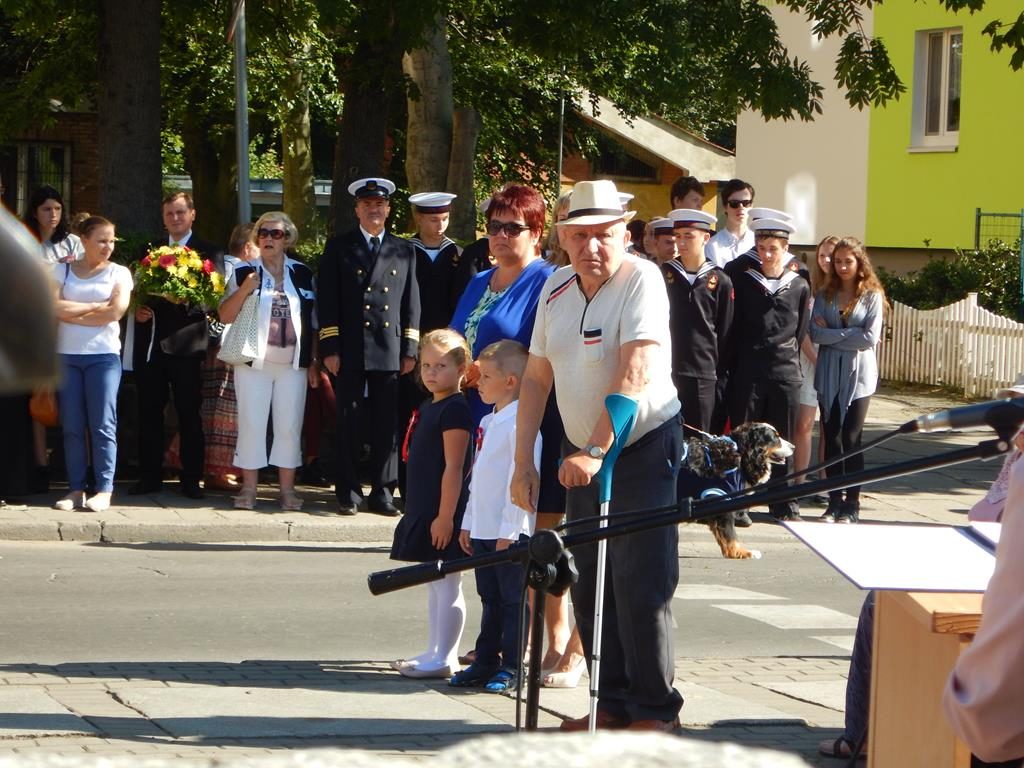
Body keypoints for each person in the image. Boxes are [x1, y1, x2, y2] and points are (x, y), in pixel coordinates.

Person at [512, 178, 684, 732]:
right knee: (588, 575)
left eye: (604, 234)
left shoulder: (642, 279)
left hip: (641, 443)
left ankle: (655, 711)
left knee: (641, 579)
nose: (591, 246)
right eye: (580, 235)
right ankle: (609, 703)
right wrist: (522, 461)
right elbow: (536, 377)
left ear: (624, 234)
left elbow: (635, 371)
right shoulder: (556, 286)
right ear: (562, 238)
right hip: (579, 447)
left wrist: (595, 449)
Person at [449, 183, 570, 674]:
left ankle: (558, 642)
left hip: (533, 421)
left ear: (537, 232)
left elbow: (545, 355)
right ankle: (501, 640)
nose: (500, 235)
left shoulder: (549, 281)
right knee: (492, 536)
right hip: (485, 420)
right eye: (494, 226)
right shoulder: (480, 279)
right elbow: (457, 339)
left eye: (513, 227)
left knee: (537, 535)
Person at [317, 177, 420, 516]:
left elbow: (411, 303)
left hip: (388, 347)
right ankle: (348, 492)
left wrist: (409, 348)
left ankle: (382, 492)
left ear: (388, 209)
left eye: (379, 204)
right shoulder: (339, 246)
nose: (373, 209)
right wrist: (330, 347)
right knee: (348, 420)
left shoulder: (403, 249)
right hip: (350, 347)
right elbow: (328, 299)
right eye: (367, 204)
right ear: (357, 209)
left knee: (386, 424)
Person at [450, 340, 540, 692]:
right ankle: (486, 660)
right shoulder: (489, 420)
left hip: (508, 533)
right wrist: (469, 522)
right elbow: (480, 478)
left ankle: (514, 666)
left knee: (513, 601)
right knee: (489, 598)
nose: (479, 383)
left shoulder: (522, 425)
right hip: (484, 529)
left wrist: (511, 530)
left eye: (486, 376)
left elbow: (519, 481)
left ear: (511, 381)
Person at [125, 191, 223, 499]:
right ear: (163, 218)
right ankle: (149, 477)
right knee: (149, 412)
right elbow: (134, 290)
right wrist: (138, 309)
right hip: (152, 343)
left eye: (180, 212)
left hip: (188, 344)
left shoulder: (209, 251)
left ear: (193, 214)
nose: (175, 218)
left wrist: (188, 300)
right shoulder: (150, 250)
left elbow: (216, 297)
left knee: (189, 413)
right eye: (170, 213)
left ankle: (191, 479)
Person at [218, 213, 318, 511]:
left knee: (289, 426)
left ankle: (287, 490)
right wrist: (245, 290)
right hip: (253, 362)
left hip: (293, 363)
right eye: (263, 233)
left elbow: (313, 320)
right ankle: (249, 488)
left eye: (276, 234)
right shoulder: (243, 270)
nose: (268, 239)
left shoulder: (302, 272)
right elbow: (224, 315)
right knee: (251, 424)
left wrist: (314, 360)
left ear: (287, 238)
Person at [390, 329, 473, 679]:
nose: (431, 373)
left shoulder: (455, 410)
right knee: (434, 582)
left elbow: (455, 467)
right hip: (425, 507)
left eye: (441, 366)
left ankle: (446, 657)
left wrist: (445, 516)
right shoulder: (430, 404)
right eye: (426, 365)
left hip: (442, 510)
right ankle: (435, 649)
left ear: (462, 369)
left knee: (448, 582)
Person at [727, 215, 809, 523]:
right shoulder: (744, 280)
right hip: (749, 371)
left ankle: (783, 501)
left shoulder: (799, 284)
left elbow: (800, 330)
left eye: (773, 248)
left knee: (782, 438)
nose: (766, 254)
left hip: (784, 372)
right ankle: (740, 502)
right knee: (745, 437)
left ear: (785, 248)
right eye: (761, 248)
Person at [398, 191, 476, 499]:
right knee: (409, 415)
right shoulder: (404, 251)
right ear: (419, 219)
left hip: (445, 345)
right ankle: (406, 484)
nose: (439, 225)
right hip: (413, 343)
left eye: (444, 218)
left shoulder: (457, 253)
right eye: (433, 219)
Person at [52, 215, 133, 512]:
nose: (108, 246)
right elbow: (53, 307)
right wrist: (94, 306)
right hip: (67, 355)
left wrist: (72, 313)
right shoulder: (62, 270)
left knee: (103, 423)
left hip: (103, 356)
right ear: (84, 240)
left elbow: (115, 313)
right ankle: (76, 489)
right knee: (72, 425)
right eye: (101, 240)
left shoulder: (119, 273)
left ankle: (104, 488)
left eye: (112, 241)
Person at [811, 237, 886, 524]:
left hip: (860, 374)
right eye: (838, 261)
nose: (842, 267)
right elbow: (815, 334)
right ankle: (834, 501)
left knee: (851, 438)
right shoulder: (824, 294)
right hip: (829, 371)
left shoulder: (872, 295)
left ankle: (852, 503)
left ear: (859, 263)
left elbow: (869, 338)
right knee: (832, 436)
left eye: (848, 261)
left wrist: (833, 334)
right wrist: (850, 333)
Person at [23, 185, 84, 493]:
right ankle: (40, 463)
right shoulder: (26, 241)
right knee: (40, 397)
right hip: (35, 327)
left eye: (58, 208)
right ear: (35, 212)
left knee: (72, 397)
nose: (53, 214)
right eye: (47, 209)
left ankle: (77, 464)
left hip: (69, 326)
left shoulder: (73, 243)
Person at [663, 208, 733, 436]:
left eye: (688, 236)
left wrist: (718, 374)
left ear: (705, 238)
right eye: (678, 236)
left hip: (703, 373)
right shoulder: (664, 274)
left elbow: (724, 332)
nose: (681, 242)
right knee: (667, 437)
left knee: (700, 439)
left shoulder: (720, 280)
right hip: (667, 368)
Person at [200, 223, 256, 493]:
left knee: (213, 408)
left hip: (217, 345)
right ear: (248, 247)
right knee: (226, 411)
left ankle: (212, 467)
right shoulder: (239, 270)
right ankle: (219, 470)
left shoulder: (221, 267)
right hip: (232, 345)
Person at [794, 236, 837, 491]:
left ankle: (824, 482)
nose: (826, 260)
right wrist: (817, 359)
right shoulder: (809, 287)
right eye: (822, 255)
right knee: (803, 425)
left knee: (829, 428)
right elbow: (803, 331)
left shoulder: (848, 292)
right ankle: (799, 483)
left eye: (831, 255)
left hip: (836, 362)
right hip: (810, 361)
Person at [705, 179, 754, 269]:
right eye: (734, 204)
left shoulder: (758, 243)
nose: (741, 207)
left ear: (751, 206)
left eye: (746, 203)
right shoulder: (712, 245)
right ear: (725, 207)